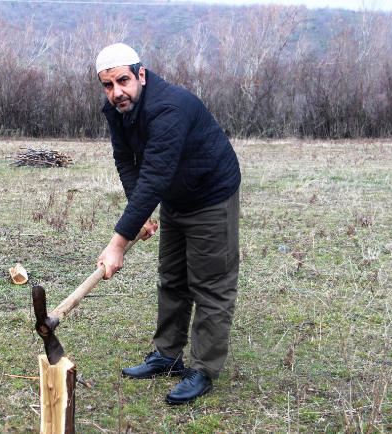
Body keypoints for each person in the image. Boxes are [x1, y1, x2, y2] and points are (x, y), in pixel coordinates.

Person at [95, 43, 240, 405]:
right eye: (108, 85)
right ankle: (167, 355)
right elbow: (126, 161)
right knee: (172, 278)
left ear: (141, 74)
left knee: (210, 285)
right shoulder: (118, 110)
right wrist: (140, 213)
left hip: (210, 194)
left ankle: (203, 369)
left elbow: (154, 176)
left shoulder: (169, 107)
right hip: (176, 196)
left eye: (123, 81)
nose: (117, 92)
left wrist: (117, 244)